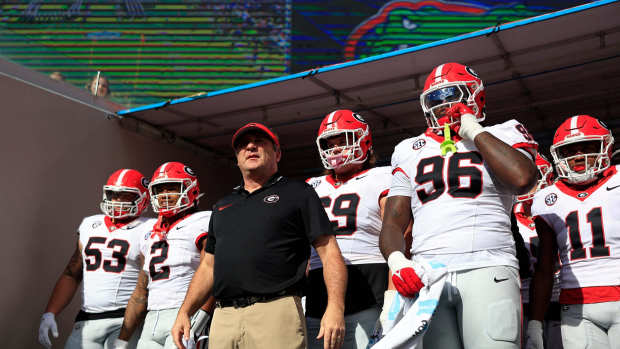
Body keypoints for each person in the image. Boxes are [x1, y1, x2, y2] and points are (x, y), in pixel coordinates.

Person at [379, 62, 538, 349]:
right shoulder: (407, 149)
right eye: (435, 100)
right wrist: (397, 261)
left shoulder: (505, 131)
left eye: (451, 96)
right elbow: (393, 221)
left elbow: (523, 178)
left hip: (487, 265)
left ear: (475, 96)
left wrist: (475, 132)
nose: (443, 106)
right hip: (428, 273)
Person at [170, 122, 348, 349]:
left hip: (275, 311)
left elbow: (329, 250)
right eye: (243, 144)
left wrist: (335, 308)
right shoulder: (223, 205)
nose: (251, 147)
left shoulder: (298, 192)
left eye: (260, 142)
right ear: (236, 158)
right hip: (224, 318)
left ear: (278, 153)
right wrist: (185, 312)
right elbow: (208, 266)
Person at [528, 115, 620, 349]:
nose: (579, 156)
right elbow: (545, 267)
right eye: (570, 150)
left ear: (606, 147)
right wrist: (536, 321)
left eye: (587, 147)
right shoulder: (547, 199)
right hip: (576, 305)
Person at [38, 169, 154, 349]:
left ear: (143, 198)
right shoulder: (90, 224)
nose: (117, 200)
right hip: (87, 318)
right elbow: (72, 272)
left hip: (125, 319)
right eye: (113, 194)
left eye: (125, 195)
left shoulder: (149, 228)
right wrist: (50, 313)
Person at [305, 110, 392, 349]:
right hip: (317, 285)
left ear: (363, 140)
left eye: (342, 141)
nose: (334, 149)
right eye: (329, 144)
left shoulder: (383, 176)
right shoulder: (311, 186)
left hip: (368, 280)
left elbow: (400, 234)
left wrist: (394, 294)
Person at [113, 162, 212, 349]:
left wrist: (202, 316)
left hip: (186, 312)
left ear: (191, 189)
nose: (165, 194)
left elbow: (215, 272)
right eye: (160, 189)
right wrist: (122, 339)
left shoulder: (204, 221)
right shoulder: (149, 232)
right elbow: (141, 292)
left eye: (172, 188)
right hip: (152, 319)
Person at [513, 154, 563, 349]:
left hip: (561, 300)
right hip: (522, 303)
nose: (528, 185)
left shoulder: (561, 210)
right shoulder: (508, 219)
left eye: (535, 178)